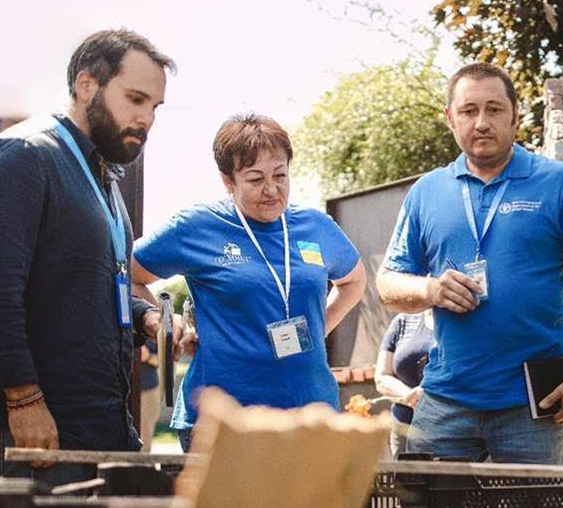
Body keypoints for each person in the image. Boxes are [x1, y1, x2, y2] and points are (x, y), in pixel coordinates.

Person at [0, 29, 178, 486]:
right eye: (135, 99)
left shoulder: (104, 178)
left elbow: (84, 287)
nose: (146, 118)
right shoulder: (22, 156)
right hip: (33, 436)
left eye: (155, 106)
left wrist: (146, 318)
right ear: (86, 85)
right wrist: (22, 398)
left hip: (101, 429)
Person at [376, 63, 563, 465]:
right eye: (469, 111)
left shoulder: (558, 182)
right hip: (444, 401)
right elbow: (386, 285)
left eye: (494, 109)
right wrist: (430, 289)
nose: (482, 122)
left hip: (536, 402)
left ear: (516, 116)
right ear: (450, 118)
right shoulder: (427, 192)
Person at [132, 114, 367, 452]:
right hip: (222, 420)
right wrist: (168, 322)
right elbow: (130, 275)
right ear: (228, 181)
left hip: (310, 411)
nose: (271, 190)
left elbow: (354, 281)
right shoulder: (198, 226)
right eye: (255, 179)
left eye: (280, 175)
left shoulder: (316, 226)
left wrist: (318, 330)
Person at [374, 310, 434, 456]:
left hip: (450, 427)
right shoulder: (403, 321)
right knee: (402, 478)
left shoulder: (460, 320)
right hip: (403, 426)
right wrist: (412, 396)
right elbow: (382, 377)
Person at [138, 340, 162, 453]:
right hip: (123, 390)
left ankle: (143, 468)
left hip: (148, 390)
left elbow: (167, 360)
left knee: (144, 439)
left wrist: (148, 357)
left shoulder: (156, 326)